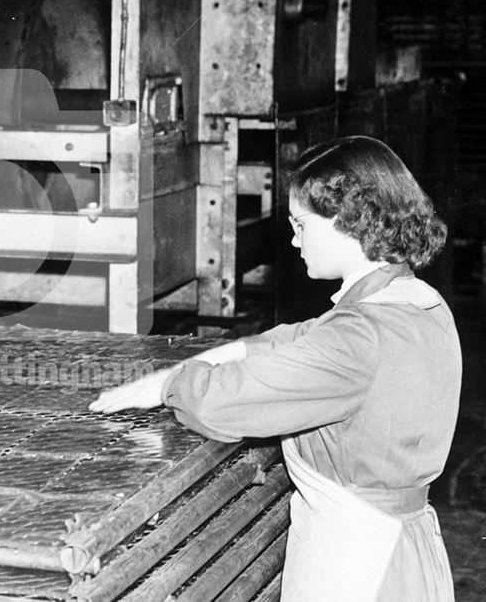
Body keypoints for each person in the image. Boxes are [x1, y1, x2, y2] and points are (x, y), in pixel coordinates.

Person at [90, 136, 460, 602]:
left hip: (360, 564)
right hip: (403, 550)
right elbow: (291, 340)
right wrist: (192, 364)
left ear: (349, 221)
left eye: (301, 224)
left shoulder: (358, 337)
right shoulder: (416, 302)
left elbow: (216, 404)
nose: (293, 238)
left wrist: (172, 384)